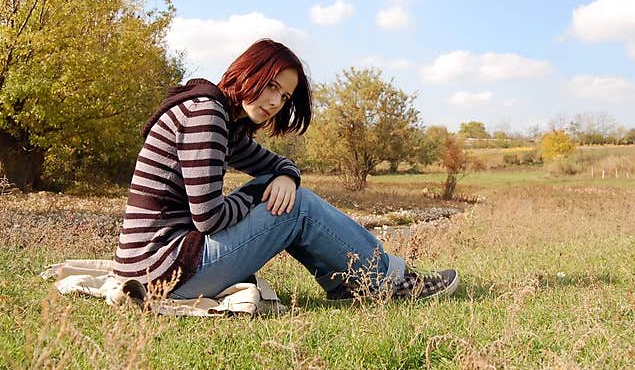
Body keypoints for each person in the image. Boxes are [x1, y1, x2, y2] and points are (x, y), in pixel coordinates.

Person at [113, 38, 459, 302]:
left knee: (287, 193)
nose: (276, 102)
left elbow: (278, 164)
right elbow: (209, 219)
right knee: (297, 208)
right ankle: (386, 283)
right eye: (272, 86)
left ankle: (359, 280)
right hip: (164, 272)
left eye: (285, 97)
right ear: (248, 71)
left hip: (155, 266)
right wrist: (259, 193)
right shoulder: (206, 114)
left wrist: (284, 177)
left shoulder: (222, 120)